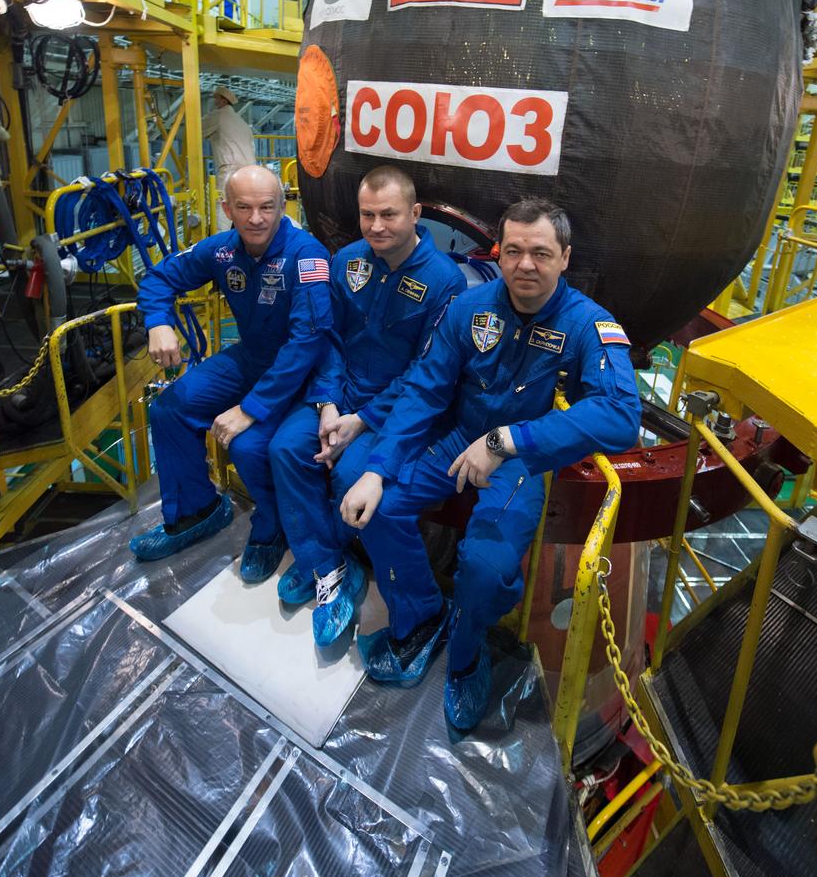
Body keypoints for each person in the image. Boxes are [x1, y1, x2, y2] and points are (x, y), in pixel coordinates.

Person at [335, 198, 641, 732]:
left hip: (521, 456)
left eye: (541, 253)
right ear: (499, 254)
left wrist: (508, 440)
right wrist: (375, 470)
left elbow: (620, 415)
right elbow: (424, 389)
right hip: (457, 436)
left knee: (486, 568)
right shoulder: (469, 308)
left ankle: (467, 654)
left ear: (564, 257)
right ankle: (422, 615)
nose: (526, 264)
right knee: (381, 508)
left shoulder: (589, 324)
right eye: (515, 251)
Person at [270, 165, 467, 647]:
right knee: (284, 448)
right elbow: (331, 340)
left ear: (415, 214)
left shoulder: (446, 284)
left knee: (348, 471)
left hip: (391, 410)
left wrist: (363, 420)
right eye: (367, 215)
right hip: (341, 395)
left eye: (389, 215)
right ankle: (327, 566)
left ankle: (338, 557)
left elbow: (426, 373)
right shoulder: (348, 262)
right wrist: (330, 405)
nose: (376, 226)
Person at [130, 165, 334, 582]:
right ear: (227, 208)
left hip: (300, 371)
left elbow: (306, 343)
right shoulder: (222, 250)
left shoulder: (306, 255)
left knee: (250, 446)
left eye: (266, 207)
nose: (255, 218)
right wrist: (157, 321)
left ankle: (272, 525)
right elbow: (158, 278)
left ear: (282, 207)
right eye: (243, 207)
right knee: (170, 408)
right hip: (252, 359)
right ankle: (197, 512)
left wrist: (251, 408)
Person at [201, 85, 256, 231]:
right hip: (250, 170)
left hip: (230, 168)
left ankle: (222, 242)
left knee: (223, 203)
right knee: (244, 204)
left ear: (223, 101)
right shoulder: (242, 122)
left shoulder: (218, 115)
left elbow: (196, 129)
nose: (214, 102)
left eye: (216, 99)